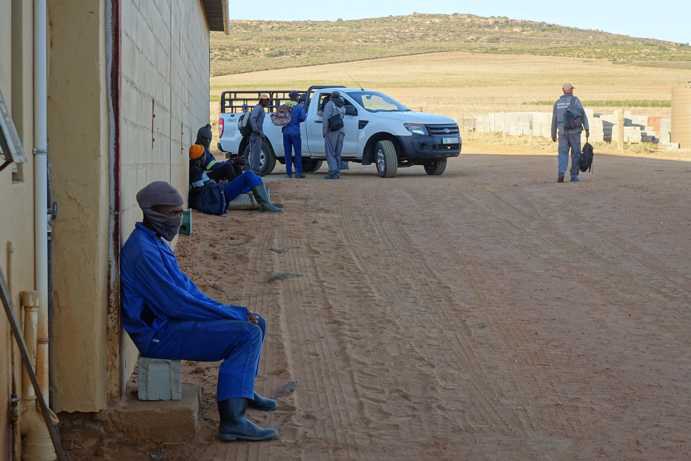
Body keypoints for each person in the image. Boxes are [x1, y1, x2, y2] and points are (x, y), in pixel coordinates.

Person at [120, 181, 279, 442]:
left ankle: (243, 391)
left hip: (170, 323)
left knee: (256, 322)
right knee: (247, 334)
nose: (177, 219)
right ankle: (233, 420)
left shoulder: (154, 242)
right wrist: (234, 315)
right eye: (172, 213)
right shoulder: (143, 252)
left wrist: (233, 311)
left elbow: (188, 292)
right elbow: (177, 304)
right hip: (158, 335)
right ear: (153, 212)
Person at [188, 144, 282, 214]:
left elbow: (205, 185)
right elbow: (204, 191)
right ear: (200, 158)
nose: (206, 157)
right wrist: (216, 183)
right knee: (249, 175)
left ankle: (266, 203)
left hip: (220, 190)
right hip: (222, 194)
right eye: (204, 155)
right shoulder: (195, 172)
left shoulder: (196, 169)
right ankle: (266, 204)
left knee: (254, 178)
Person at [551, 83, 590, 183]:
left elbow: (554, 119)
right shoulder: (576, 101)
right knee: (575, 154)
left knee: (562, 153)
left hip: (562, 133)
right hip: (575, 132)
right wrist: (587, 128)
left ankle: (561, 173)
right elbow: (583, 115)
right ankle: (574, 176)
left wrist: (553, 133)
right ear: (571, 90)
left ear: (563, 90)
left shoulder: (557, 103)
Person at [282, 91, 307, 178]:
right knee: (297, 153)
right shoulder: (299, 107)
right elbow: (303, 118)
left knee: (287, 153)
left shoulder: (284, 106)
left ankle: (289, 172)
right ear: (296, 97)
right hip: (295, 131)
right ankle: (298, 172)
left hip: (285, 131)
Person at [322, 91, 346, 180]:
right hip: (341, 130)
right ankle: (337, 171)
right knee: (337, 153)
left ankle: (333, 172)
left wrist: (324, 131)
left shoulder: (329, 104)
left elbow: (326, 119)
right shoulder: (342, 105)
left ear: (331, 97)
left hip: (332, 131)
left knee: (330, 152)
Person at [249, 94, 270, 173]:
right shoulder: (259, 108)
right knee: (255, 153)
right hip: (256, 134)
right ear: (263, 100)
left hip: (257, 134)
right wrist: (256, 130)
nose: (268, 103)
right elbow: (252, 118)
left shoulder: (258, 108)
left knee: (254, 153)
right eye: (267, 101)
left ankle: (254, 171)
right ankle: (255, 171)